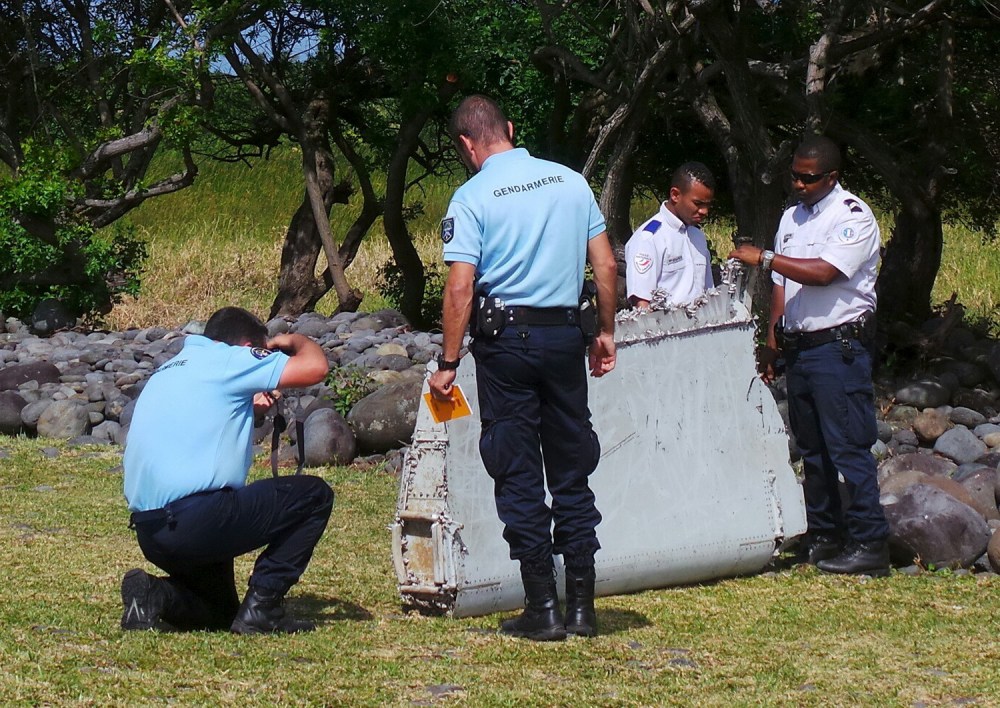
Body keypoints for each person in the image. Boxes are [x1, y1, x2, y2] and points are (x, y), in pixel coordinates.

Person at [428, 95, 618, 641]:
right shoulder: (570, 182)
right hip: (564, 338)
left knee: (516, 471)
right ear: (510, 128)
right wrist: (605, 333)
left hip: (506, 344)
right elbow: (604, 262)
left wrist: (448, 361)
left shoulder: (471, 197)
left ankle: (542, 606)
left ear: (467, 144)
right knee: (572, 468)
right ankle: (582, 605)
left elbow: (461, 286)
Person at [729, 135, 890, 577]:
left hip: (838, 347)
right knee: (812, 449)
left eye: (808, 177)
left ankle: (869, 541)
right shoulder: (790, 218)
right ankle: (823, 534)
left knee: (848, 446)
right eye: (794, 175)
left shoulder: (852, 216)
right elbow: (783, 287)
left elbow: (822, 274)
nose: (798, 183)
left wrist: (763, 257)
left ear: (831, 177)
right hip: (801, 346)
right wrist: (772, 341)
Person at [120, 306, 334, 634]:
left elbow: (197, 423)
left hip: (153, 532)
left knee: (219, 613)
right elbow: (316, 368)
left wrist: (250, 408)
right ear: (250, 348)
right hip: (197, 520)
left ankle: (155, 596)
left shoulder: (170, 370)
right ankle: (263, 607)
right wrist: (296, 340)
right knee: (314, 495)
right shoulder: (231, 359)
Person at [625, 162, 717, 309]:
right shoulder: (650, 238)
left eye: (708, 205)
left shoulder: (697, 236)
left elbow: (707, 291)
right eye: (698, 204)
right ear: (675, 195)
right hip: (666, 329)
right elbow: (641, 302)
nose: (704, 211)